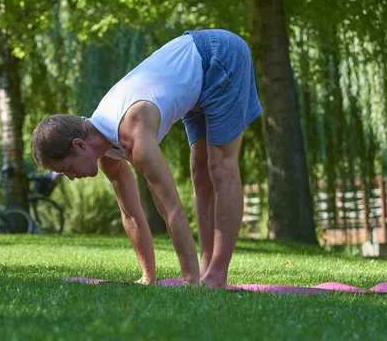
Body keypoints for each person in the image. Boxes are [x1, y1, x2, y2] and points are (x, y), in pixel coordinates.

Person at [31, 29, 262, 288]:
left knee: (220, 166)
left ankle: (214, 276)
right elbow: (131, 215)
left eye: (67, 169)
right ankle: (206, 271)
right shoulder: (107, 153)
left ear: (79, 145)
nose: (72, 177)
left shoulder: (134, 135)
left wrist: (189, 280)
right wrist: (147, 277)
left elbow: (172, 209)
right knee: (199, 171)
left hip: (220, 56)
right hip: (197, 80)